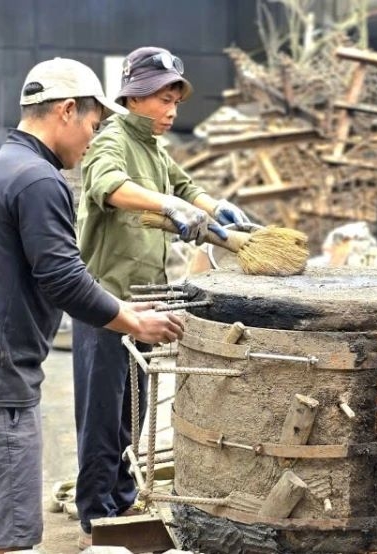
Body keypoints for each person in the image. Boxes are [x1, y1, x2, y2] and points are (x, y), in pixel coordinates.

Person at [0, 57, 186, 554]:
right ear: (67, 111)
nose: (92, 139)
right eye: (92, 125)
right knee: (4, 537)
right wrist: (134, 320)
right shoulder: (39, 180)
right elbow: (64, 278)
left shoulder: (5, 165)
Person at [72, 46, 250, 548]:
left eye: (176, 98)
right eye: (162, 98)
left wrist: (219, 213)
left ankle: (123, 497)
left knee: (133, 411)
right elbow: (107, 184)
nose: (172, 109)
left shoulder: (153, 146)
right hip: (106, 303)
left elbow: (186, 186)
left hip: (145, 301)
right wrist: (166, 203)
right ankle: (97, 515)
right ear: (133, 96)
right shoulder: (112, 140)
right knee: (101, 416)